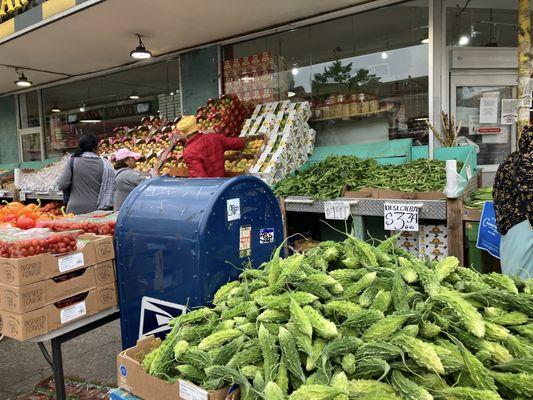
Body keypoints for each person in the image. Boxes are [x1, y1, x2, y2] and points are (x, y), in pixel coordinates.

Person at [493, 127, 532, 278]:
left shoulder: (508, 161)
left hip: (511, 230)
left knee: (515, 289)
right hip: (525, 230)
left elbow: (497, 195)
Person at [58, 134, 115, 214]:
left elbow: (61, 184)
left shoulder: (73, 162)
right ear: (95, 147)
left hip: (74, 210)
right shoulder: (106, 164)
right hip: (97, 211)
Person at [179, 115, 245, 178]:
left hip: (212, 187)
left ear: (184, 133)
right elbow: (239, 143)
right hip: (222, 181)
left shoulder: (188, 152)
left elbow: (199, 178)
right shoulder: (213, 137)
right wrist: (245, 140)